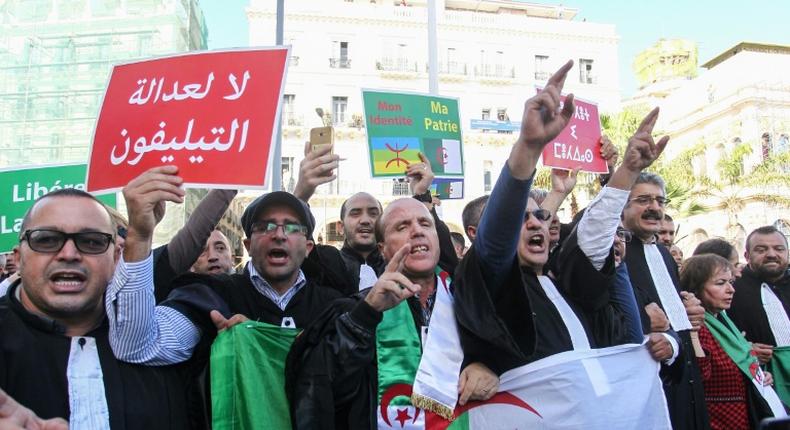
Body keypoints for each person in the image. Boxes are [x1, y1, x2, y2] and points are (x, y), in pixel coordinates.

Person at [454, 66, 657, 374]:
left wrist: (627, 171)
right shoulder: (495, 285)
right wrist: (529, 146)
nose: (536, 223)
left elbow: (593, 237)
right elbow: (497, 240)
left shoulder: (566, 281)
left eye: (540, 216)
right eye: (521, 220)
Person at [1, 187, 193, 428]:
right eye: (46, 240)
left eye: (91, 242)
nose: (68, 254)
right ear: (18, 258)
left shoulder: (160, 348)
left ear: (115, 259)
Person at [622, 171, 709, 429]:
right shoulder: (617, 252)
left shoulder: (665, 253)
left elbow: (675, 311)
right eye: (644, 200)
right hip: (649, 378)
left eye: (660, 201)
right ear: (623, 206)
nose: (654, 208)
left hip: (685, 373)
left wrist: (690, 309)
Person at [680, 254, 783, 428]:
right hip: (719, 421)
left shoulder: (723, 319)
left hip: (744, 417)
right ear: (696, 288)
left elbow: (741, 362)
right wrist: (693, 332)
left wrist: (758, 376)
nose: (731, 289)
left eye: (731, 282)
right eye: (720, 283)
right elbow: (700, 374)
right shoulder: (699, 326)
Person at [727, 226, 790, 406]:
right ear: (746, 256)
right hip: (760, 385)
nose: (771, 254)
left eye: (779, 249)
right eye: (761, 250)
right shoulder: (732, 289)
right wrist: (746, 348)